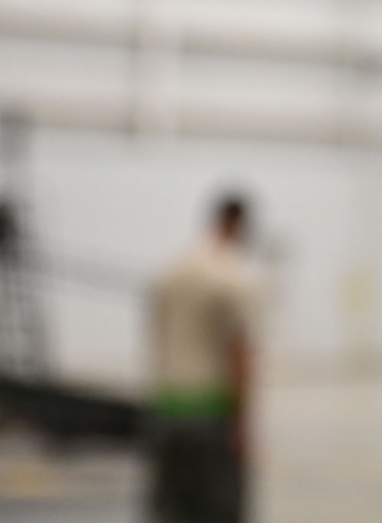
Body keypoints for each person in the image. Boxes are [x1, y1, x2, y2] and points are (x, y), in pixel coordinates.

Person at [148, 193, 258, 523]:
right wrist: (242, 425)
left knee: (171, 511)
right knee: (219, 512)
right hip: (211, 413)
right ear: (238, 225)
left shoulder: (168, 273)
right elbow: (238, 353)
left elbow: (157, 339)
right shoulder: (232, 277)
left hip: (166, 410)